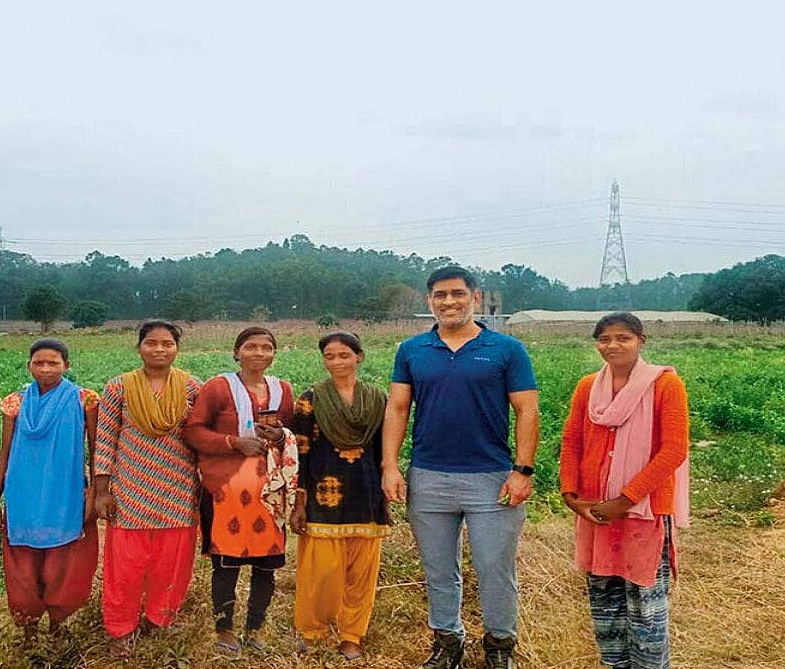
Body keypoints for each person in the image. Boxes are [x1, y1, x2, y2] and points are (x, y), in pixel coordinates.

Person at [381, 266, 540, 669]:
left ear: (475, 297)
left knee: (494, 567)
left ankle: (500, 645)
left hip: (491, 477)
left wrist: (522, 470)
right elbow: (398, 408)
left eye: (456, 293)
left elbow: (526, 409)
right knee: (438, 567)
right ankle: (447, 640)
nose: (448, 302)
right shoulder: (412, 350)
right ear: (429, 301)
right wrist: (390, 466)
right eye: (439, 295)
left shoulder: (506, 349)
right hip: (429, 476)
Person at [559, 313, 690, 669]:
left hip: (644, 512)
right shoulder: (588, 387)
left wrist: (626, 499)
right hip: (597, 512)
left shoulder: (664, 385)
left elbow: (674, 450)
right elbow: (572, 440)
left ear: (641, 341)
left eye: (623, 338)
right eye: (604, 339)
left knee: (646, 606)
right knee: (605, 603)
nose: (612, 345)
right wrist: (571, 495)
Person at [183, 326, 297, 656]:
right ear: (237, 352)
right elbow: (192, 431)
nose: (259, 353)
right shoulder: (219, 387)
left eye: (266, 348)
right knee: (226, 566)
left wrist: (277, 436)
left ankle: (256, 628)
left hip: (269, 492)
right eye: (251, 347)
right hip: (225, 491)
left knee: (266, 566)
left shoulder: (282, 390)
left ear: (274, 354)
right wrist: (233, 442)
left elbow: (289, 433)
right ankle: (225, 629)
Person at [92, 320, 203, 658]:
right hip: (130, 488)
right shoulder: (119, 387)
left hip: (178, 487)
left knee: (173, 561)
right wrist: (102, 490)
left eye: (167, 343)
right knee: (124, 566)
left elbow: (201, 437)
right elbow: (106, 439)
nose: (159, 349)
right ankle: (120, 628)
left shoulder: (192, 388)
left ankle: (160, 618)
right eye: (151, 343)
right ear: (139, 347)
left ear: (177, 348)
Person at [0, 338, 99, 643]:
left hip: (66, 494)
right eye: (39, 362)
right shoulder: (15, 403)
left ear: (67, 365)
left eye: (53, 363)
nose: (46, 369)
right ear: (29, 365)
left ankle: (59, 625)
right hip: (23, 495)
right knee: (23, 565)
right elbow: (5, 452)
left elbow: (96, 450)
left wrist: (97, 492)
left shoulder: (84, 400)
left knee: (64, 562)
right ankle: (29, 629)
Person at [289, 331, 390, 661]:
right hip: (324, 494)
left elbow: (384, 450)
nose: (336, 362)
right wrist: (299, 502)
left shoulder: (378, 399)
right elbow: (300, 451)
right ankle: (312, 629)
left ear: (358, 357)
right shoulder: (311, 399)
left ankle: (352, 635)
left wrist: (387, 488)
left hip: (366, 493)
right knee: (321, 573)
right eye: (329, 356)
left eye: (343, 355)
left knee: (361, 574)